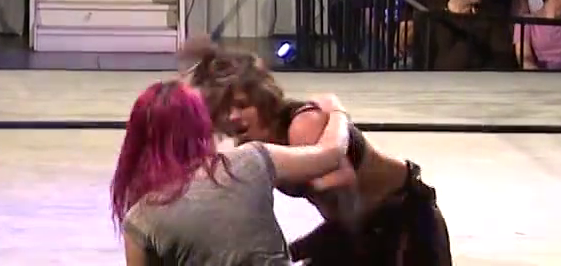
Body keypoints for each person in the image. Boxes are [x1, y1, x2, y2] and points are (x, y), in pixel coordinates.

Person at [184, 41, 452, 264]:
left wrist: (337, 115)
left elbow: (342, 191)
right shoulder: (250, 145)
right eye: (223, 109)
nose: (233, 116)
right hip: (360, 227)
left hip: (403, 217)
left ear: (262, 98)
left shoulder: (303, 125)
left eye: (243, 105)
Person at [111, 79, 352, 266]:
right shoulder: (250, 160)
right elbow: (332, 153)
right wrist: (337, 112)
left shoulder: (140, 219)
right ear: (202, 125)